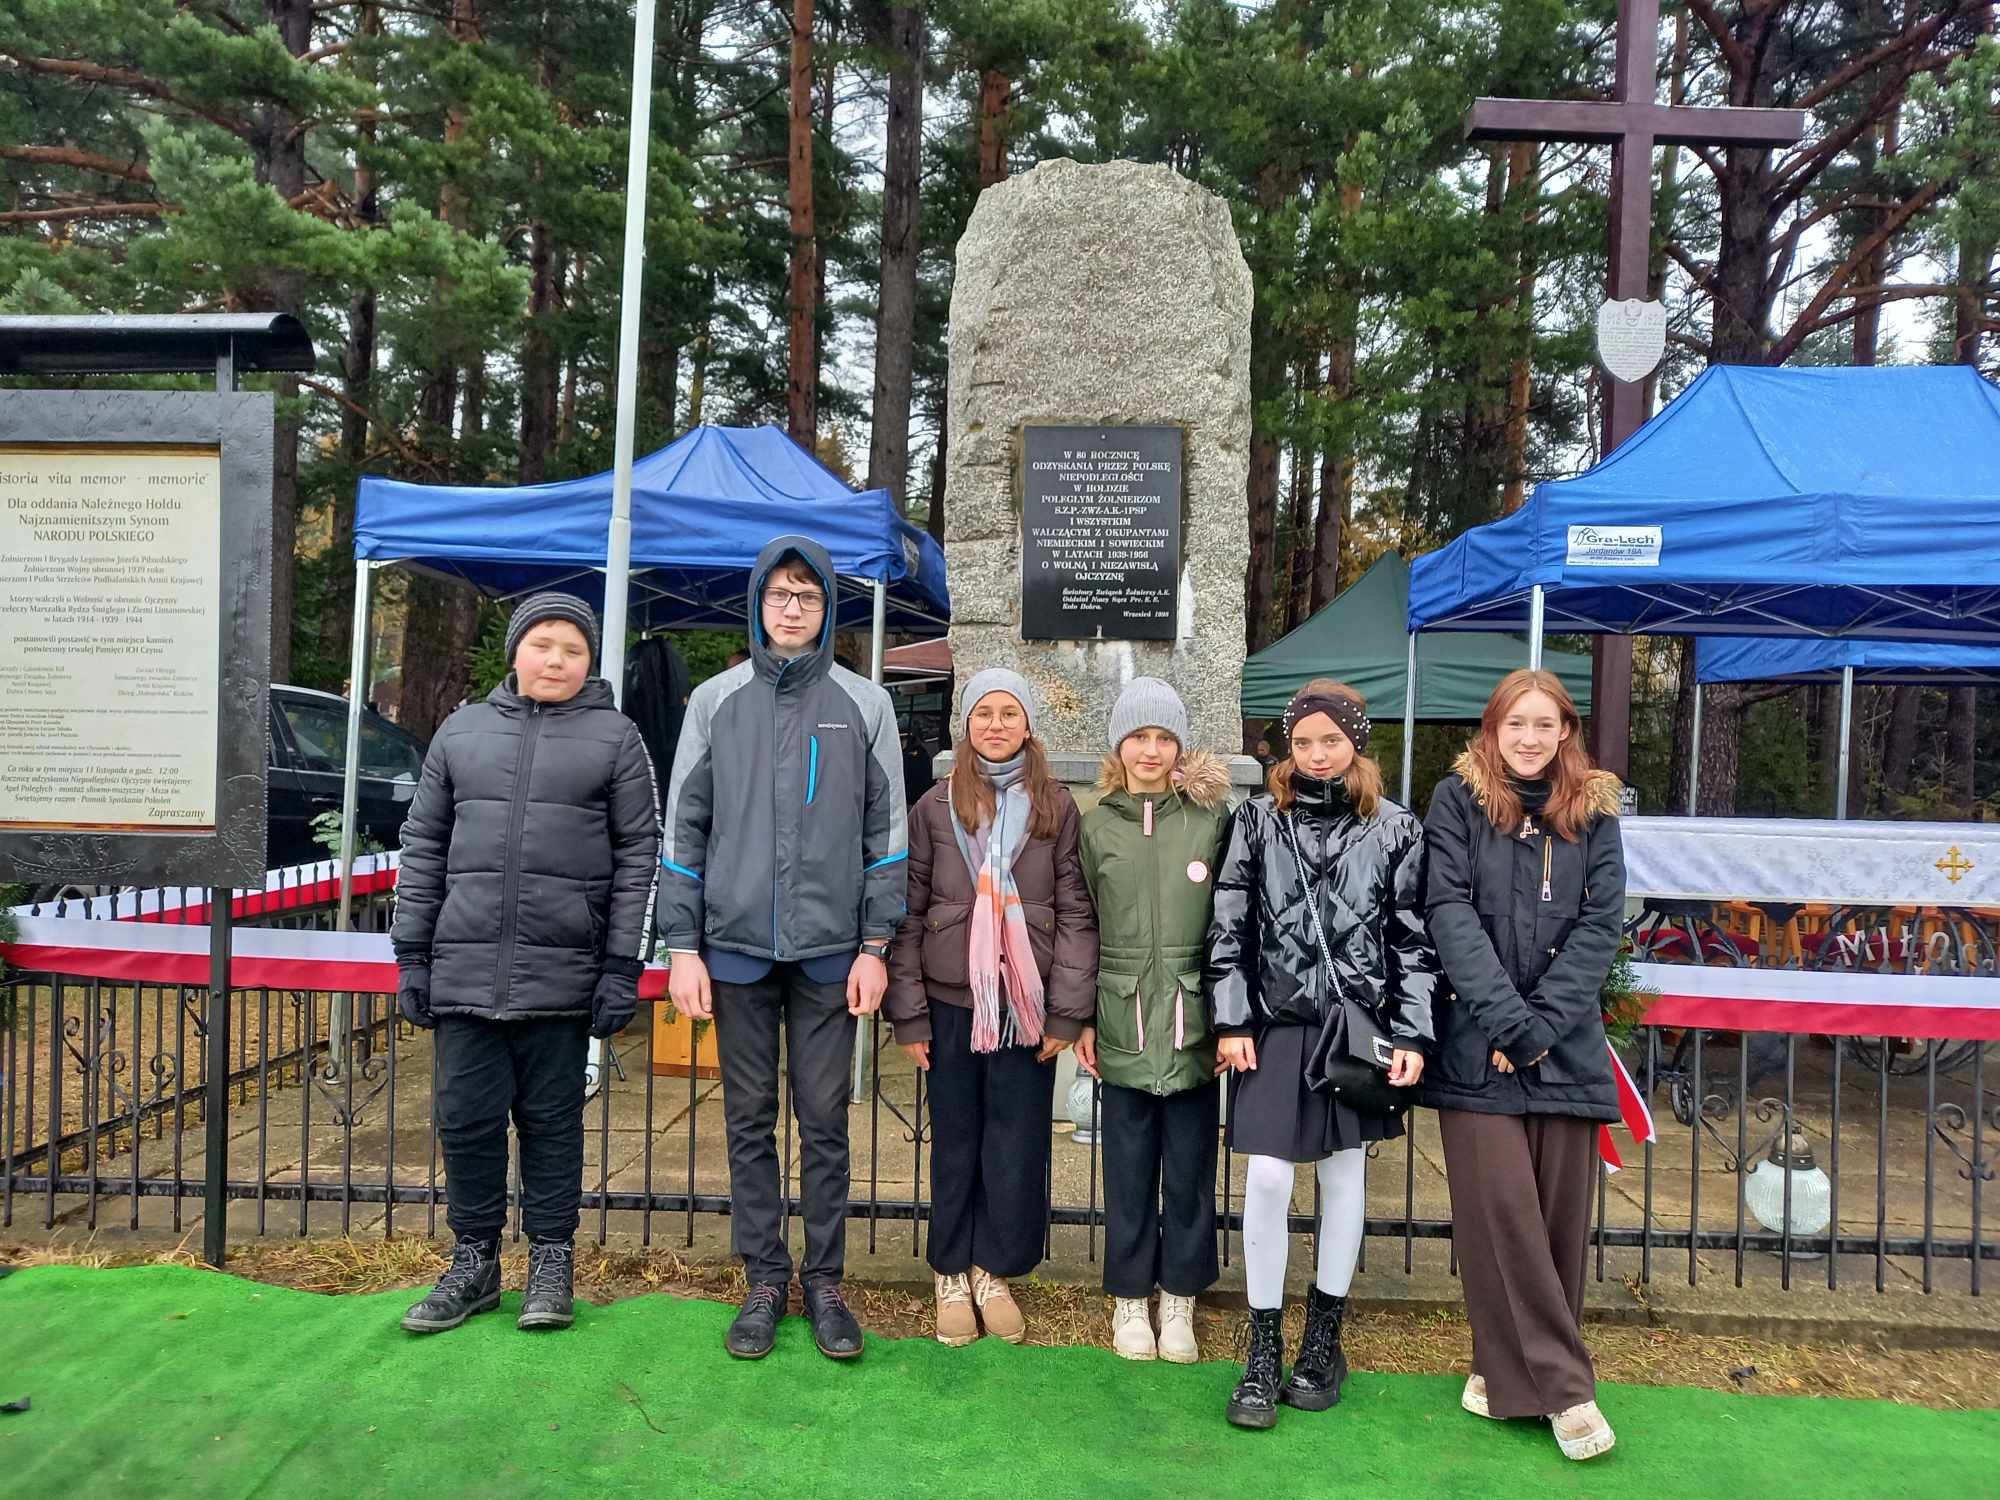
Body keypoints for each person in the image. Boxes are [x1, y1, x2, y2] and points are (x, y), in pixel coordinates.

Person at [658, 537, 907, 1361]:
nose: (792, 608)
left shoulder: (866, 705)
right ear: (758, 602)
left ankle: (826, 1279)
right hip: (732, 949)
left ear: (828, 606)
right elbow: (683, 830)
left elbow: (887, 835)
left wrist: (876, 942)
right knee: (747, 1118)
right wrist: (680, 946)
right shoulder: (714, 701)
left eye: (807, 594)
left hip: (833, 950)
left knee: (827, 1118)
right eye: (779, 594)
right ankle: (765, 1277)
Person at [392, 593, 661, 1335]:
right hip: (465, 972)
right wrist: (411, 953)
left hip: (565, 976)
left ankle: (550, 1260)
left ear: (589, 662)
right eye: (543, 644)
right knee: (468, 1121)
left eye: (573, 649)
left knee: (551, 1123)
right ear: (516, 651)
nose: (556, 659)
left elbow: (642, 856)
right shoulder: (461, 732)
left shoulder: (616, 739)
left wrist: (620, 967)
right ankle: (473, 1263)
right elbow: (423, 848)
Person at [1206, 679, 1436, 1428]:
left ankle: (1324, 1339)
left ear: (1355, 743)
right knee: (1269, 1179)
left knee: (1342, 1179)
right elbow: (1229, 925)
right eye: (1302, 741)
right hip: (1276, 1025)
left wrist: (1411, 1032)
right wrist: (1231, 1019)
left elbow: (1413, 939)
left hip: (1358, 1029)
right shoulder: (1256, 821)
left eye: (1329, 740)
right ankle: (1263, 1345)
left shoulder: (1397, 828)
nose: (1315, 754)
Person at [1421, 668, 1626, 1462]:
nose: (1531, 738)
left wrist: (1540, 1028)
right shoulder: (1458, 802)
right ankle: (1568, 1389)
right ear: (1493, 730)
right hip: (1479, 1043)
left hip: (1565, 1044)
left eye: (1546, 724)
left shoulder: (1596, 812)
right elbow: (1448, 912)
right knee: (1502, 1215)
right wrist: (1507, 1020)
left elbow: (1601, 923)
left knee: (1556, 1223)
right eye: (1517, 724)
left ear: (1566, 731)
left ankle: (1500, 1374)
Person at [887, 669, 1097, 1346]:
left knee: (1014, 1144)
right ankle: (949, 1270)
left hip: (1024, 1007)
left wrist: (1066, 1012)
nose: (997, 725)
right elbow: (909, 914)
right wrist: (910, 1014)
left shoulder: (1056, 806)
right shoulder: (934, 805)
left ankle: (992, 1270)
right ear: (966, 725)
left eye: (1010, 713)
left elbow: (1075, 913)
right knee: (955, 1142)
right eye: (984, 714)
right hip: (952, 1002)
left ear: (1029, 725)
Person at [1078, 679, 1230, 1363]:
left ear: (1179, 747)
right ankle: (1130, 1298)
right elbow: (1081, 924)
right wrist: (1079, 1016)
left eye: (1163, 738)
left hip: (1193, 1018)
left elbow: (1235, 924)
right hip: (1122, 1014)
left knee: (1192, 1168)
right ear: (1119, 745)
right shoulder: (1096, 822)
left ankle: (1181, 1299)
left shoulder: (1210, 820)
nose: (1150, 750)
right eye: (1138, 737)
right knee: (1130, 1166)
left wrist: (1231, 1019)